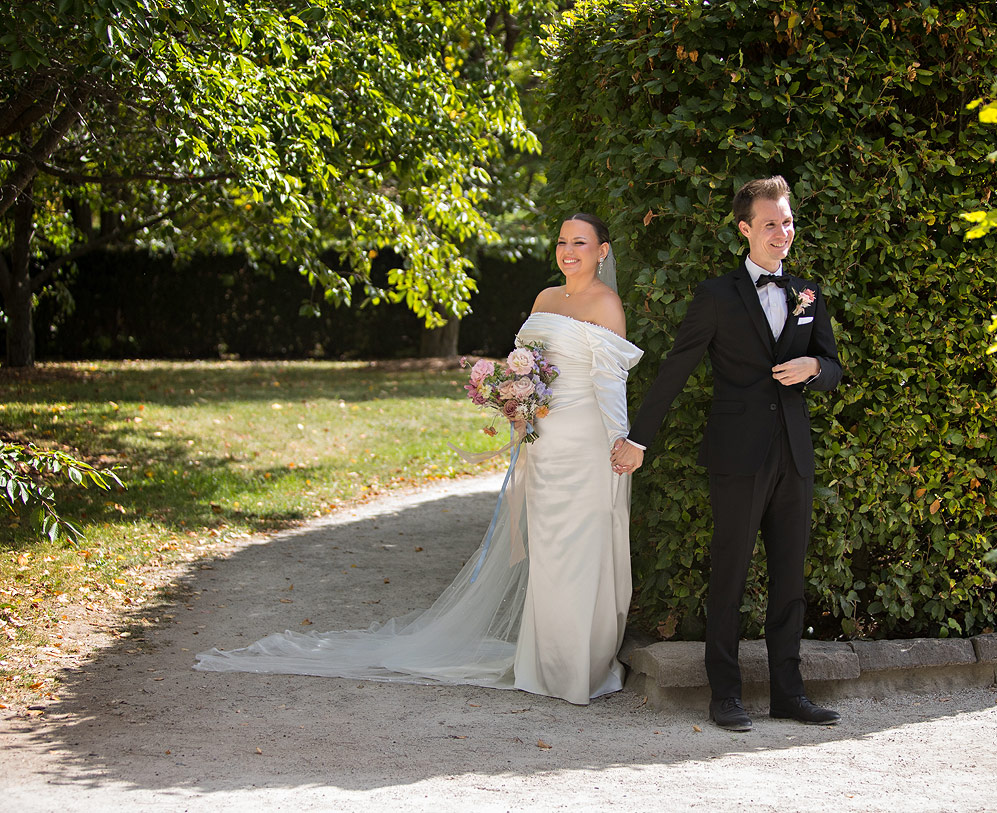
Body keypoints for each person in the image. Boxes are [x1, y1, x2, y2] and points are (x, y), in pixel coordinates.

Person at [196, 213, 643, 706]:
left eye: (580, 242)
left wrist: (622, 441)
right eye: (562, 241)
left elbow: (610, 383)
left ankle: (579, 669)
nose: (568, 251)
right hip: (542, 441)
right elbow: (531, 366)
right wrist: (514, 401)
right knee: (549, 552)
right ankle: (546, 664)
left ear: (602, 250)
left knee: (580, 550)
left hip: (586, 444)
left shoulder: (606, 303)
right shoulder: (544, 299)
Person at [610, 176, 843, 731]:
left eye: (787, 222)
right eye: (770, 224)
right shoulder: (717, 295)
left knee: (789, 580)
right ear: (745, 229)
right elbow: (677, 368)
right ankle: (726, 694)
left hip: (794, 455)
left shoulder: (808, 293)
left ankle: (789, 694)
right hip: (737, 455)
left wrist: (814, 368)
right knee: (730, 575)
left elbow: (833, 367)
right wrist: (638, 439)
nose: (782, 233)